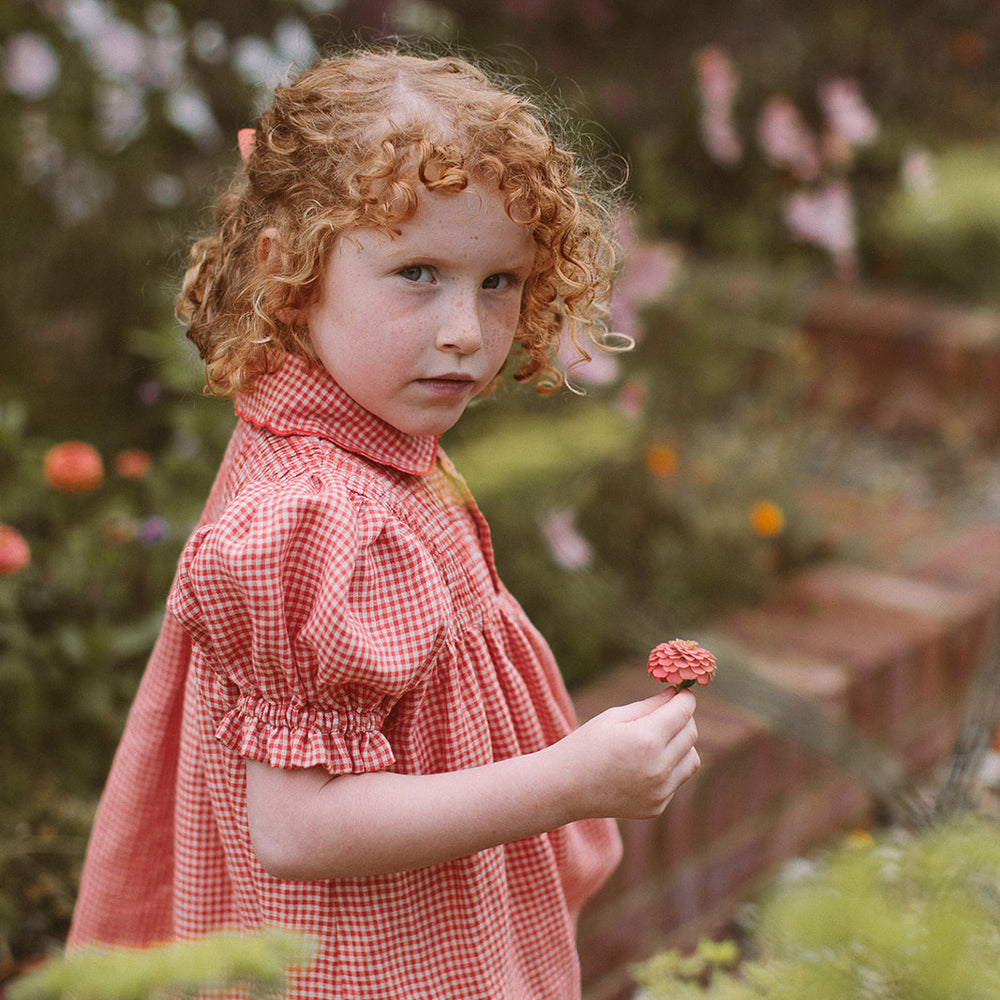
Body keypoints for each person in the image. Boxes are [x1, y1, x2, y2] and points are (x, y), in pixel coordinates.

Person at [68, 47, 701, 999]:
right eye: (418, 272)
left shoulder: (362, 435)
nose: (466, 330)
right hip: (364, 964)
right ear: (293, 272)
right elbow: (297, 830)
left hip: (431, 920)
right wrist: (570, 780)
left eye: (499, 282)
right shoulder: (315, 514)